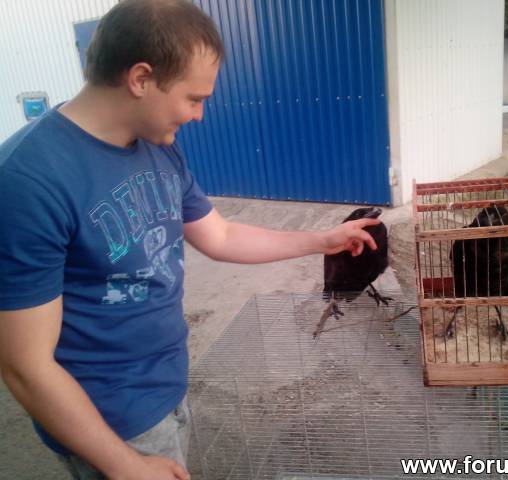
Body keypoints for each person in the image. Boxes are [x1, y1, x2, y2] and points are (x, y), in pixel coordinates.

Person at [0, 1, 380, 479]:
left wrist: (323, 240)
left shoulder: (157, 148)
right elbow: (25, 366)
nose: (199, 115)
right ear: (141, 79)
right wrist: (124, 465)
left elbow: (220, 235)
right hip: (111, 421)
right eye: (194, 99)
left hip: (168, 386)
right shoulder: (27, 180)